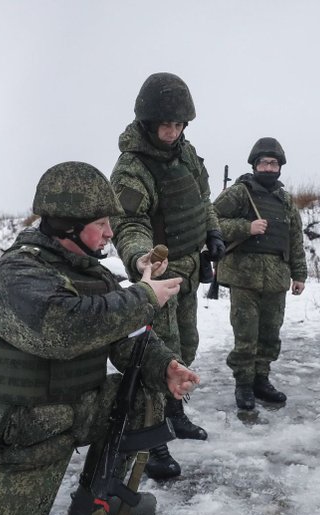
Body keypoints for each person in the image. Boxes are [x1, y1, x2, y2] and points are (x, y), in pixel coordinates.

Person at [0, 162, 198, 515]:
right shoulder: (19, 273)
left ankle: (97, 496)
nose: (110, 233)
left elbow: (125, 335)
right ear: (66, 226)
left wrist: (164, 365)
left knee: (143, 393)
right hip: (21, 431)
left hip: (78, 407)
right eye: (100, 223)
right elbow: (63, 330)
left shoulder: (93, 273)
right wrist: (143, 298)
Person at [109, 72, 224, 479]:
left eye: (178, 125)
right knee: (158, 352)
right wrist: (142, 259)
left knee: (186, 344)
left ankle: (174, 411)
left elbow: (202, 199)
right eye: (165, 125)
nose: (172, 132)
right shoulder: (132, 168)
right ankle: (151, 436)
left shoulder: (186, 154)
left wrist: (212, 231)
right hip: (158, 274)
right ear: (147, 122)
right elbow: (128, 223)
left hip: (190, 267)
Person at [212, 138, 307, 409]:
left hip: (277, 277)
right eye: (263, 162)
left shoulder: (285, 200)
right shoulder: (240, 192)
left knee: (269, 334)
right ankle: (243, 384)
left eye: (273, 163)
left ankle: (261, 380)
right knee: (246, 334)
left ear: (280, 167)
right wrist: (246, 227)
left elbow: (294, 239)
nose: (268, 167)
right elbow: (210, 219)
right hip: (244, 276)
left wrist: (299, 274)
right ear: (255, 165)